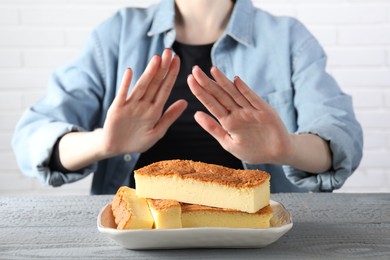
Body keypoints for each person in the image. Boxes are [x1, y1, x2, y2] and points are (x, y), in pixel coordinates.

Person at [12, 0, 363, 194]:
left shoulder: (287, 38)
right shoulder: (117, 34)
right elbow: (32, 137)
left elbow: (341, 136)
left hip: (259, 239)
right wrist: (104, 142)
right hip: (140, 235)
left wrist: (285, 147)